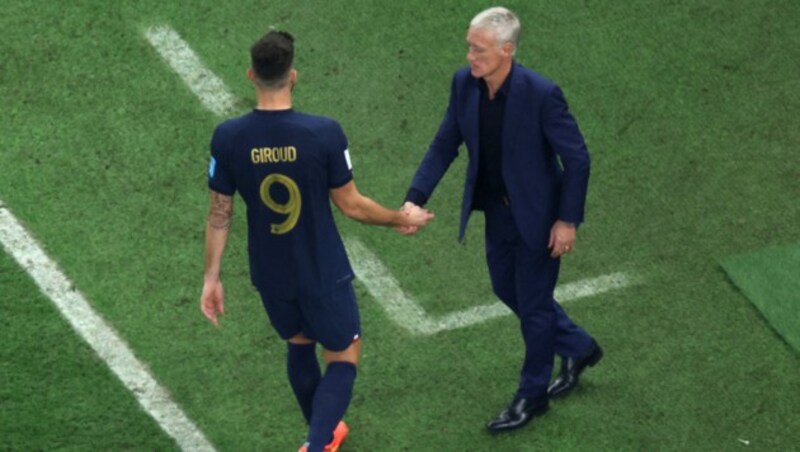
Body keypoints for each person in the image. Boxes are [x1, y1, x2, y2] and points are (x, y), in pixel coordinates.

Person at [200, 30, 434, 452]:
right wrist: (401, 217)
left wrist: (211, 277)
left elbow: (220, 213)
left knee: (299, 344)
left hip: (270, 272)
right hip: (320, 269)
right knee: (345, 354)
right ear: (294, 76)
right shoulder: (323, 133)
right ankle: (316, 442)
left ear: (252, 75)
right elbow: (353, 206)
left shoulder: (228, 137)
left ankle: (323, 435)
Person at [400, 7, 603, 432]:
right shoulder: (464, 84)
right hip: (496, 211)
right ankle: (579, 346)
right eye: (469, 47)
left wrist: (567, 221)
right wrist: (414, 198)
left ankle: (531, 396)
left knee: (532, 308)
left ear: (506, 50)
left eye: (479, 49)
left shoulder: (542, 94)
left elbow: (578, 159)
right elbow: (444, 144)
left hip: (538, 218)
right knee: (505, 288)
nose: (470, 56)